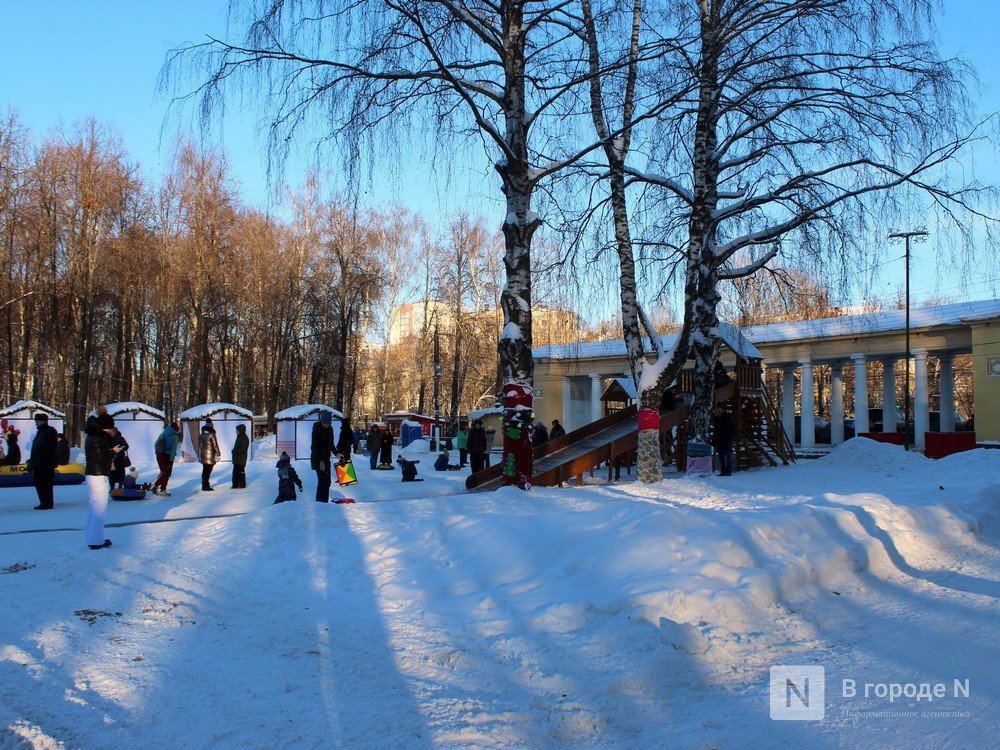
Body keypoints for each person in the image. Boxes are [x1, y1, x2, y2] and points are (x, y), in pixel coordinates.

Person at [84, 414, 118, 550]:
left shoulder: (92, 437)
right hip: (99, 475)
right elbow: (102, 459)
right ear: (106, 427)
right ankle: (96, 541)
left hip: (92, 474)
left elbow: (97, 455)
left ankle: (93, 538)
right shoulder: (98, 439)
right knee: (99, 510)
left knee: (93, 509)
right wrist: (113, 452)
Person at [28, 412, 58, 510]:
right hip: (37, 462)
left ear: (43, 421)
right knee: (39, 483)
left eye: (38, 421)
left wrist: (43, 459)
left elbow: (50, 448)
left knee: (46, 483)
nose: (36, 423)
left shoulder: (50, 431)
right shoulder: (39, 432)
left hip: (45, 463)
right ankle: (43, 502)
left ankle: (48, 503)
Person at [311, 411, 335, 502]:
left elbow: (331, 444)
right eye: (324, 423)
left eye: (328, 423)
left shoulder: (330, 429)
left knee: (328, 482)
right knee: (322, 482)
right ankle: (320, 503)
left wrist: (337, 453)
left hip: (326, 459)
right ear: (321, 421)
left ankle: (324, 502)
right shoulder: (317, 429)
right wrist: (320, 461)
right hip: (318, 459)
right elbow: (314, 447)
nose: (326, 425)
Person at [152, 422, 180, 496]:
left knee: (163, 472)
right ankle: (162, 489)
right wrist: (171, 459)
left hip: (159, 454)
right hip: (167, 456)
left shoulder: (163, 433)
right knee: (167, 473)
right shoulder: (175, 436)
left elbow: (156, 444)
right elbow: (173, 449)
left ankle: (156, 486)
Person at [712, 406, 735, 477]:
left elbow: (730, 428)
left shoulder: (727, 417)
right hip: (719, 440)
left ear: (723, 409)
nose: (718, 410)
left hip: (726, 439)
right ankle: (723, 471)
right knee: (721, 457)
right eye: (717, 409)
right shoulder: (716, 418)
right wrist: (714, 439)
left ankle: (728, 471)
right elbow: (715, 430)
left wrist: (728, 436)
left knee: (727, 456)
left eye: (719, 409)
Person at [199, 422, 221, 491]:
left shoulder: (201, 434)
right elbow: (215, 445)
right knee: (208, 471)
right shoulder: (212, 434)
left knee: (205, 470)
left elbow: (200, 445)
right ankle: (206, 486)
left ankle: (204, 485)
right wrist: (218, 453)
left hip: (203, 454)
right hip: (210, 455)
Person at [231, 423, 249, 489]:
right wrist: (234, 450)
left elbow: (243, 448)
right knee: (237, 472)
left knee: (239, 472)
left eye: (237, 430)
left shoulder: (244, 438)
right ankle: (238, 484)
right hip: (238, 459)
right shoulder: (240, 437)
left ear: (240, 431)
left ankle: (240, 484)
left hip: (240, 459)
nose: (236, 432)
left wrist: (234, 451)